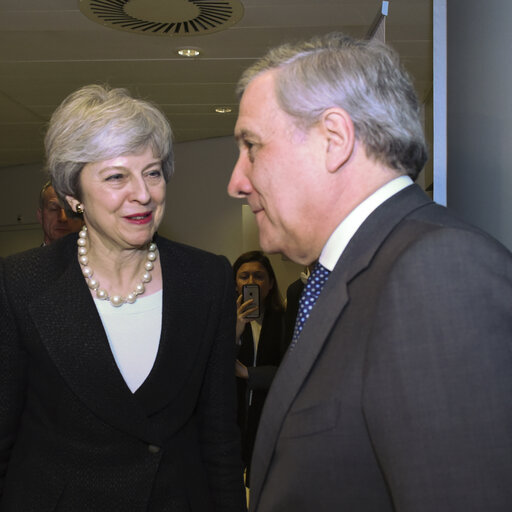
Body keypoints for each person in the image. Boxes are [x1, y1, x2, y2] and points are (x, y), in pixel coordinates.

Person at [227, 32, 512, 512]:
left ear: (334, 140)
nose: (238, 182)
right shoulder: (350, 274)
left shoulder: (434, 272)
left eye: (251, 147)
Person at [0, 84, 246, 511]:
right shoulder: (20, 284)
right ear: (73, 195)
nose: (144, 194)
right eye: (116, 177)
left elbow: (219, 436)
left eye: (152, 172)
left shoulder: (209, 278)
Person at [233, 251, 285, 486]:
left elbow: (292, 370)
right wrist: (236, 329)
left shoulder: (285, 319)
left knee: (263, 486)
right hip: (232, 416)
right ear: (234, 282)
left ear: (271, 283)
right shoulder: (222, 317)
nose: (251, 282)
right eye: (244, 276)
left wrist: (250, 374)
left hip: (270, 415)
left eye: (259, 276)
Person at [37, 180, 83, 245]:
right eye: (54, 209)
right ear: (40, 216)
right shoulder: (27, 255)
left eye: (69, 210)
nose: (63, 218)